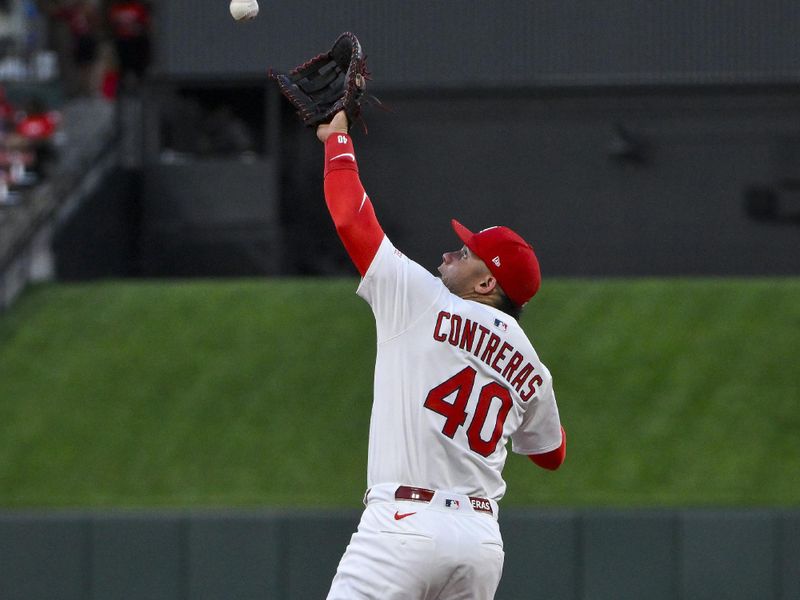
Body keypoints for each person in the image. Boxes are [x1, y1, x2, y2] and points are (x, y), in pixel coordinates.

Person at [315, 110, 567, 600]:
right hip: (479, 546)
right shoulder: (533, 369)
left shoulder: (424, 299)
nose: (452, 253)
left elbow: (351, 217)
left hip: (403, 527)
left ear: (487, 284)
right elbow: (551, 454)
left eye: (466, 253)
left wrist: (336, 139)